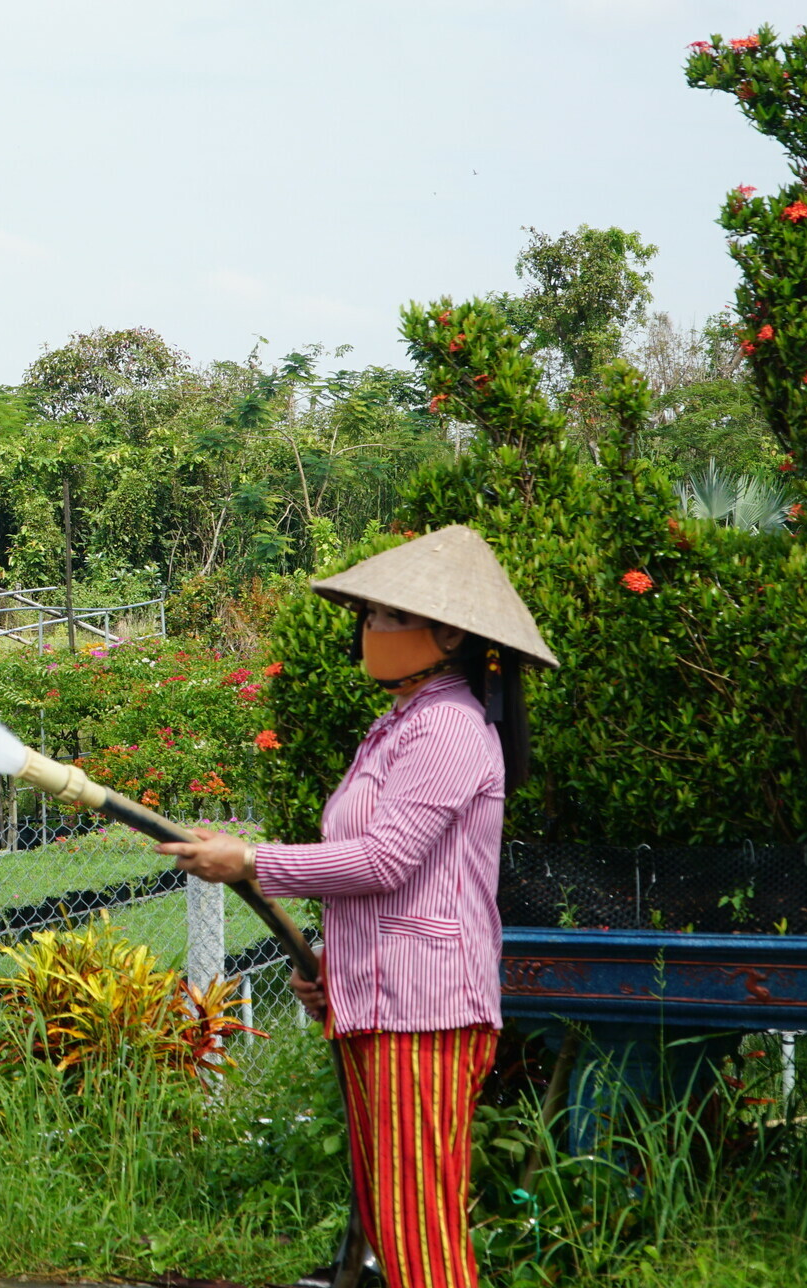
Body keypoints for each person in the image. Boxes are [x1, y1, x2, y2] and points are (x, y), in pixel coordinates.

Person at [159, 525, 554, 1288]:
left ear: (446, 634)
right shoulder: (397, 726)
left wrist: (249, 861)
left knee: (418, 1229)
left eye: (386, 617)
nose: (371, 631)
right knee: (389, 1217)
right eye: (369, 616)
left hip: (429, 1011)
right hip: (384, 1004)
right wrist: (333, 972)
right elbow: (394, 883)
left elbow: (382, 862)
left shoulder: (446, 728)